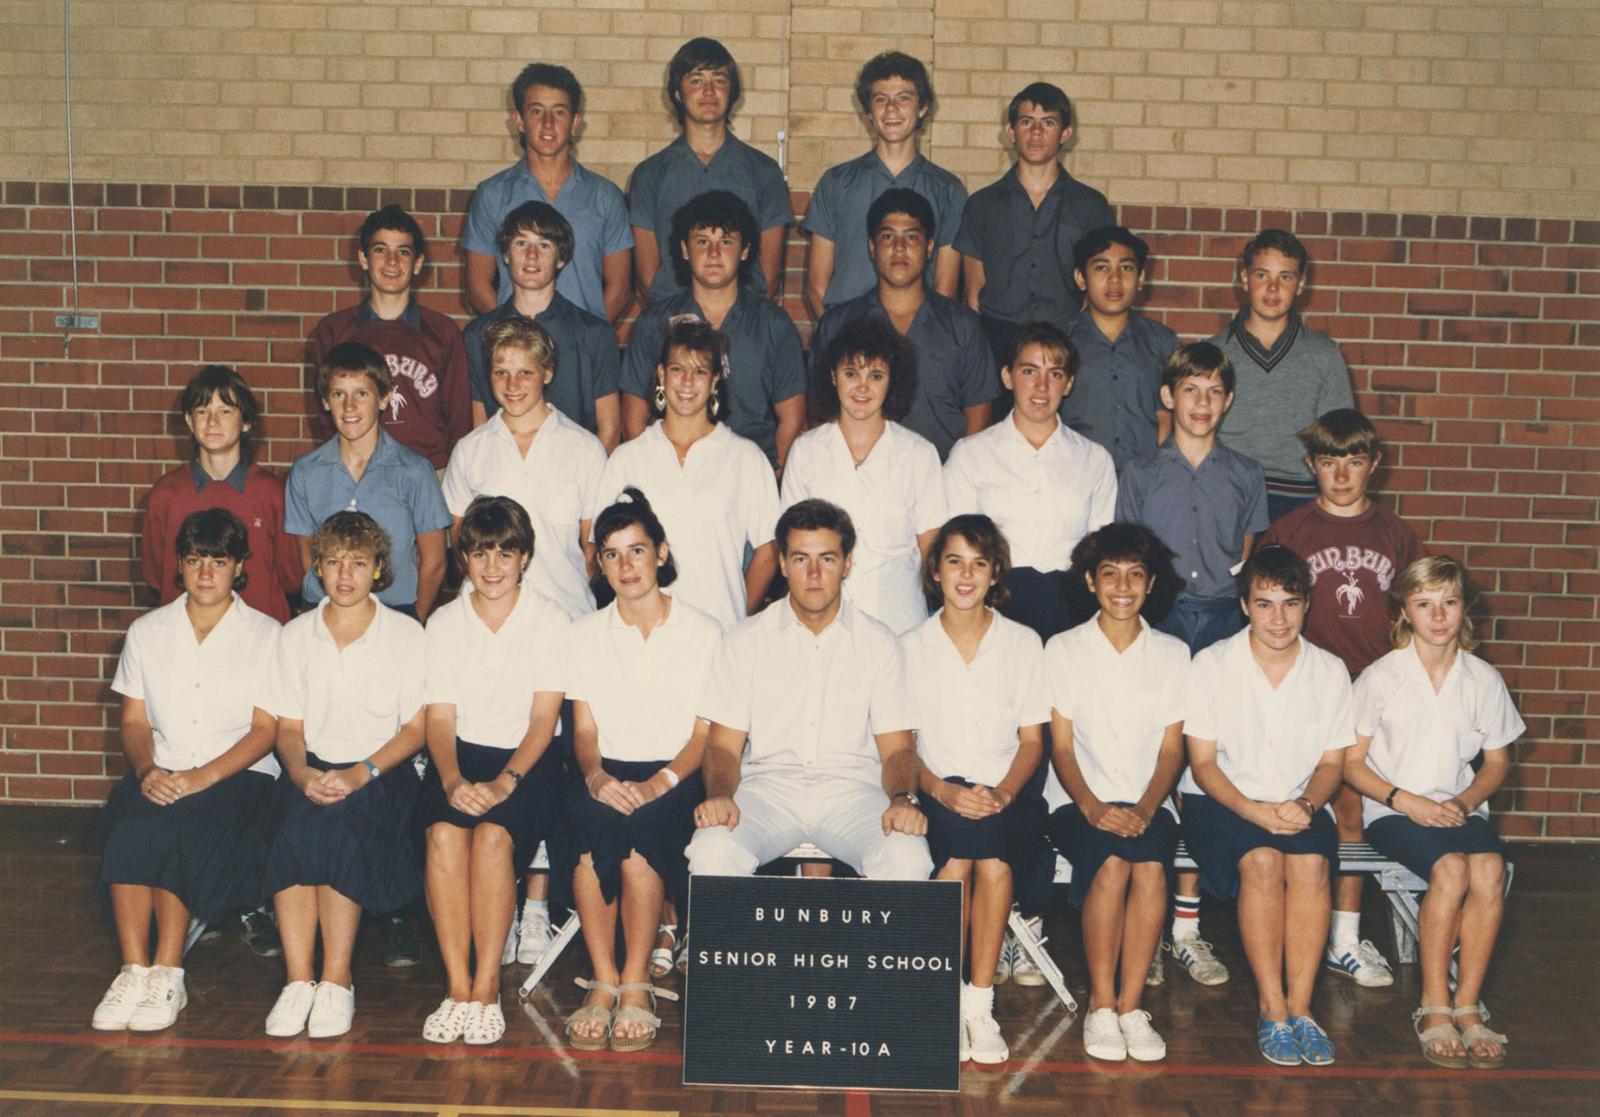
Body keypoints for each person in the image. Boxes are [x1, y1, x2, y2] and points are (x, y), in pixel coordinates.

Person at [93, 510, 281, 1033]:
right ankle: (134, 970)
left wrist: (203, 777)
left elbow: (265, 730)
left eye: (218, 561)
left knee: (182, 825)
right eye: (195, 560)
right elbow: (134, 721)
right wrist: (146, 769)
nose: (205, 573)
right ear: (179, 564)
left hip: (238, 775)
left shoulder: (267, 634)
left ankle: (168, 971)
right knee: (130, 823)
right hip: (165, 765)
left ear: (239, 566)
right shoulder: (147, 632)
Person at [1116, 341, 1268, 986]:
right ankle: (1146, 925)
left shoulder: (1246, 473)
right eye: (1189, 390)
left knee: (1209, 761)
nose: (1201, 403)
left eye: (1213, 391)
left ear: (1227, 401)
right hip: (1165, 619)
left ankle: (1186, 925)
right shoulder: (1140, 473)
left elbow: (1249, 551)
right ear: (1167, 397)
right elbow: (1128, 559)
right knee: (1158, 755)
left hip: (1224, 618)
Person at [1260, 407, 1425, 987]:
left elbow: (1416, 613)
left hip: (1372, 686)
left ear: (1373, 465)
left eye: (1354, 462)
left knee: (1352, 806)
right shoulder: (1290, 532)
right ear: (1311, 465)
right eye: (1330, 462)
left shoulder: (1395, 533)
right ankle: (1292, 926)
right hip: (1307, 684)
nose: (1342, 474)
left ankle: (1346, 937)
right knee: (1297, 799)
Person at [687, 498, 932, 881]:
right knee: (712, 850)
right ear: (783, 564)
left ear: (847, 564)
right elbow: (723, 746)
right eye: (801, 559)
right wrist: (720, 794)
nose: (814, 574)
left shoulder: (879, 643)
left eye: (827, 559)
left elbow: (898, 748)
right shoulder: (745, 640)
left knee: (908, 855)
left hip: (853, 792)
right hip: (768, 790)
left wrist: (903, 798)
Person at [1345, 556, 1521, 1070]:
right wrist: (1405, 801)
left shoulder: (1483, 678)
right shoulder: (1381, 677)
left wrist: (1463, 803)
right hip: (1394, 810)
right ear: (1404, 611)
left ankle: (1467, 1004)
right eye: (1424, 604)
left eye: (1449, 602)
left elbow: (1497, 762)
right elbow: (1351, 764)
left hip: (1458, 809)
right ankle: (1433, 1004)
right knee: (1451, 870)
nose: (1438, 616)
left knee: (1488, 870)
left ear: (1465, 608)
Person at [1180, 545, 1352, 1067]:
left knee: (1311, 865)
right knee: (1262, 862)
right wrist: (1254, 812)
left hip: (1299, 801)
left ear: (1307, 605)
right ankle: (1272, 1009)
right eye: (1264, 604)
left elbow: (1332, 764)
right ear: (1243, 605)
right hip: (1221, 801)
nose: (1279, 619)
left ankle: (1302, 1009)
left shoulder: (1330, 670)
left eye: (1290, 603)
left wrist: (1307, 803)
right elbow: (1203, 765)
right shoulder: (1212, 664)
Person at [260, 512, 428, 1039]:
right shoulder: (294, 635)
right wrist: (300, 772)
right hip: (311, 765)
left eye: (357, 562)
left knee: (337, 833)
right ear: (318, 569)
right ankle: (298, 981)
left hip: (381, 772)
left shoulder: (405, 634)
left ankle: (336, 980)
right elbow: (288, 726)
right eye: (333, 562)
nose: (345, 574)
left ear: (378, 568)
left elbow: (417, 728)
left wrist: (361, 773)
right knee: (291, 830)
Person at [562, 489, 718, 1053]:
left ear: (661, 553)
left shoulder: (704, 631)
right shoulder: (583, 634)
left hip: (676, 774)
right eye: (611, 554)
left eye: (636, 550)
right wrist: (596, 778)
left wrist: (659, 784)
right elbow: (584, 732)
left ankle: (636, 983)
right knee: (587, 828)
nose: (625, 565)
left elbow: (704, 736)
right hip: (607, 770)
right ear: (599, 565)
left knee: (641, 836)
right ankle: (603, 980)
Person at [418, 496, 569, 1046]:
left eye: (505, 553)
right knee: (442, 835)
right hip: (460, 757)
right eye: (480, 554)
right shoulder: (445, 622)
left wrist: (506, 782)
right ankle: (456, 989)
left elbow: (543, 721)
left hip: (528, 763)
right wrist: (452, 780)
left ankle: (486, 990)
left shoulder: (550, 619)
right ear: (464, 559)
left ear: (525, 557)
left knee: (490, 839)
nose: (492, 567)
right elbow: (440, 719)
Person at [902, 514, 1047, 1064]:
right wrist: (941, 791)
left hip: (1007, 792)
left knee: (989, 859)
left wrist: (1004, 794)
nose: (966, 576)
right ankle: (946, 999)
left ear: (995, 574)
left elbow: (1032, 742)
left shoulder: (1024, 643)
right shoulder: (909, 646)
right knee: (964, 858)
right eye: (954, 562)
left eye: (979, 564)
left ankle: (978, 1007)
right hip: (934, 790)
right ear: (935, 572)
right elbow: (900, 747)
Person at [1045, 523, 1187, 1063]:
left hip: (1148, 801)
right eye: (1109, 574)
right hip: (1077, 801)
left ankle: (1132, 1007)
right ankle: (1101, 1005)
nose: (1122, 587)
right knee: (1110, 864)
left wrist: (1147, 808)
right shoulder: (1063, 649)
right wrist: (1093, 808)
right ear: (1090, 581)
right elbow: (1061, 746)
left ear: (1151, 583)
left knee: (1148, 868)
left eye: (1135, 575)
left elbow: (1171, 750)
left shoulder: (1173, 653)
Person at [592, 317, 778, 631]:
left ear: (715, 380)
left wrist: (736, 621)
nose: (688, 382)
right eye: (678, 369)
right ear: (661, 375)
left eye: (700, 371)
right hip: (643, 637)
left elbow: (769, 551)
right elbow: (604, 550)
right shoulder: (627, 459)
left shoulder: (746, 458)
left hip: (720, 637)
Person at [944, 322, 1116, 642]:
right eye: (1029, 371)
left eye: (1055, 374)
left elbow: (1099, 553)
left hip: (1071, 614)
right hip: (995, 608)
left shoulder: (1095, 460)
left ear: (1068, 383)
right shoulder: (971, 455)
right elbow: (956, 550)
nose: (1041, 386)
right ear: (1007, 377)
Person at [781, 316, 945, 635]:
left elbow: (932, 554)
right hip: (822, 626)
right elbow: (791, 548)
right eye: (851, 373)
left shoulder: (919, 455)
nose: (862, 387)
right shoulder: (806, 451)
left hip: (900, 625)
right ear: (833, 376)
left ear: (892, 381)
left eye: (876, 375)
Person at [620, 191, 807, 471]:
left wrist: (768, 476)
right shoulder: (654, 323)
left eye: (726, 241)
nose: (714, 253)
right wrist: (658, 475)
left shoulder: (774, 324)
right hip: (671, 471)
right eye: (702, 241)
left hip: (750, 473)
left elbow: (792, 418)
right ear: (685, 250)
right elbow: (633, 418)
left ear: (745, 250)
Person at [809, 188, 994, 460]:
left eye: (911, 237)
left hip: (943, 475)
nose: (899, 247)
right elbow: (820, 412)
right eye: (887, 236)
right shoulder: (838, 324)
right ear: (872, 247)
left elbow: (979, 424)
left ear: (929, 247)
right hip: (856, 473)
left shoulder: (963, 327)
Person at [444, 316, 606, 621]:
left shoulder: (585, 449)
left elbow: (592, 551)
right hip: (488, 619)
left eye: (525, 373)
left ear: (548, 372)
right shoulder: (469, 450)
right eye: (501, 373)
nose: (512, 385)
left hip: (565, 613)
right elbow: (460, 547)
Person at [284, 341, 452, 622]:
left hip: (394, 613)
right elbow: (307, 557)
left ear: (384, 398)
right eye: (338, 394)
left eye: (361, 393)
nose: (349, 406)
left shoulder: (414, 470)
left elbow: (434, 561)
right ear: (325, 401)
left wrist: (413, 622)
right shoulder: (305, 472)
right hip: (325, 611)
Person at [954, 82, 1114, 363]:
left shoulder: (1090, 206)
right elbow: (973, 292)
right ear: (1010, 131)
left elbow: (1098, 285)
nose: (1036, 132)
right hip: (996, 341)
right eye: (1026, 122)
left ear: (1065, 134)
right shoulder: (982, 205)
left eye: (1048, 123)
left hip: (1066, 339)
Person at [462, 63, 632, 323]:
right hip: (515, 345)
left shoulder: (605, 197)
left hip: (583, 344)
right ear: (519, 120)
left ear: (575, 122)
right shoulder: (491, 195)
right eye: (537, 111)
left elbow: (619, 289)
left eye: (559, 112)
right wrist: (519, 336)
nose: (548, 124)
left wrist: (587, 337)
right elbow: (477, 287)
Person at [628, 37, 792, 304]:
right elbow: (648, 279)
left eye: (719, 80)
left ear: (731, 91)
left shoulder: (764, 171)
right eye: (696, 80)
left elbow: (769, 277)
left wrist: (738, 318)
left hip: (744, 320)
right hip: (672, 319)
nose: (708, 91)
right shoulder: (649, 174)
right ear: (678, 93)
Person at [308, 205, 472, 472]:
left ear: (418, 263)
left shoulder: (443, 332)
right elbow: (326, 416)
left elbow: (459, 419)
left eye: (403, 252)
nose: (392, 261)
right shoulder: (334, 331)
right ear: (363, 258)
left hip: (430, 471)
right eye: (380, 250)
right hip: (359, 470)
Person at [804, 51, 965, 321]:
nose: (891, 108)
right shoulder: (836, 183)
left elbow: (945, 288)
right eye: (881, 99)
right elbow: (817, 286)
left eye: (903, 98)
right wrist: (839, 338)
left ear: (922, 107)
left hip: (917, 337)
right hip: (848, 335)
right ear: (869, 111)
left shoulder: (947, 189)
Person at [1210, 229, 1355, 521]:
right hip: (1227, 494)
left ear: (1301, 284)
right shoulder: (1213, 353)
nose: (1273, 288)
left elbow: (1341, 441)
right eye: (1262, 275)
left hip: (1301, 499)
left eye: (1285, 277)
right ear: (1244, 279)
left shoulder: (1324, 355)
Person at [142, 364, 301, 625]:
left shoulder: (272, 493)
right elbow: (156, 575)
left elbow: (291, 577)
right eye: (202, 411)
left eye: (225, 411)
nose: (212, 422)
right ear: (189, 421)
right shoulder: (166, 494)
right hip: (187, 634)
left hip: (258, 635)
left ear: (246, 421)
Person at [462, 201, 622, 450]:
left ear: (561, 258)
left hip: (575, 469)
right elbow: (479, 425)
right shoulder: (477, 335)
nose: (532, 255)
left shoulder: (594, 333)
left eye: (544, 245)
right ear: (506, 254)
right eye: (521, 243)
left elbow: (609, 430)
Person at [1061, 227, 1178, 472]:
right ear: (1081, 278)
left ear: (1141, 278)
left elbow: (1167, 418)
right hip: (1076, 476)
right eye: (1101, 268)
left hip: (1144, 478)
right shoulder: (1059, 341)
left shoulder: (1162, 342)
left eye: (1126, 268)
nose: (1115, 279)